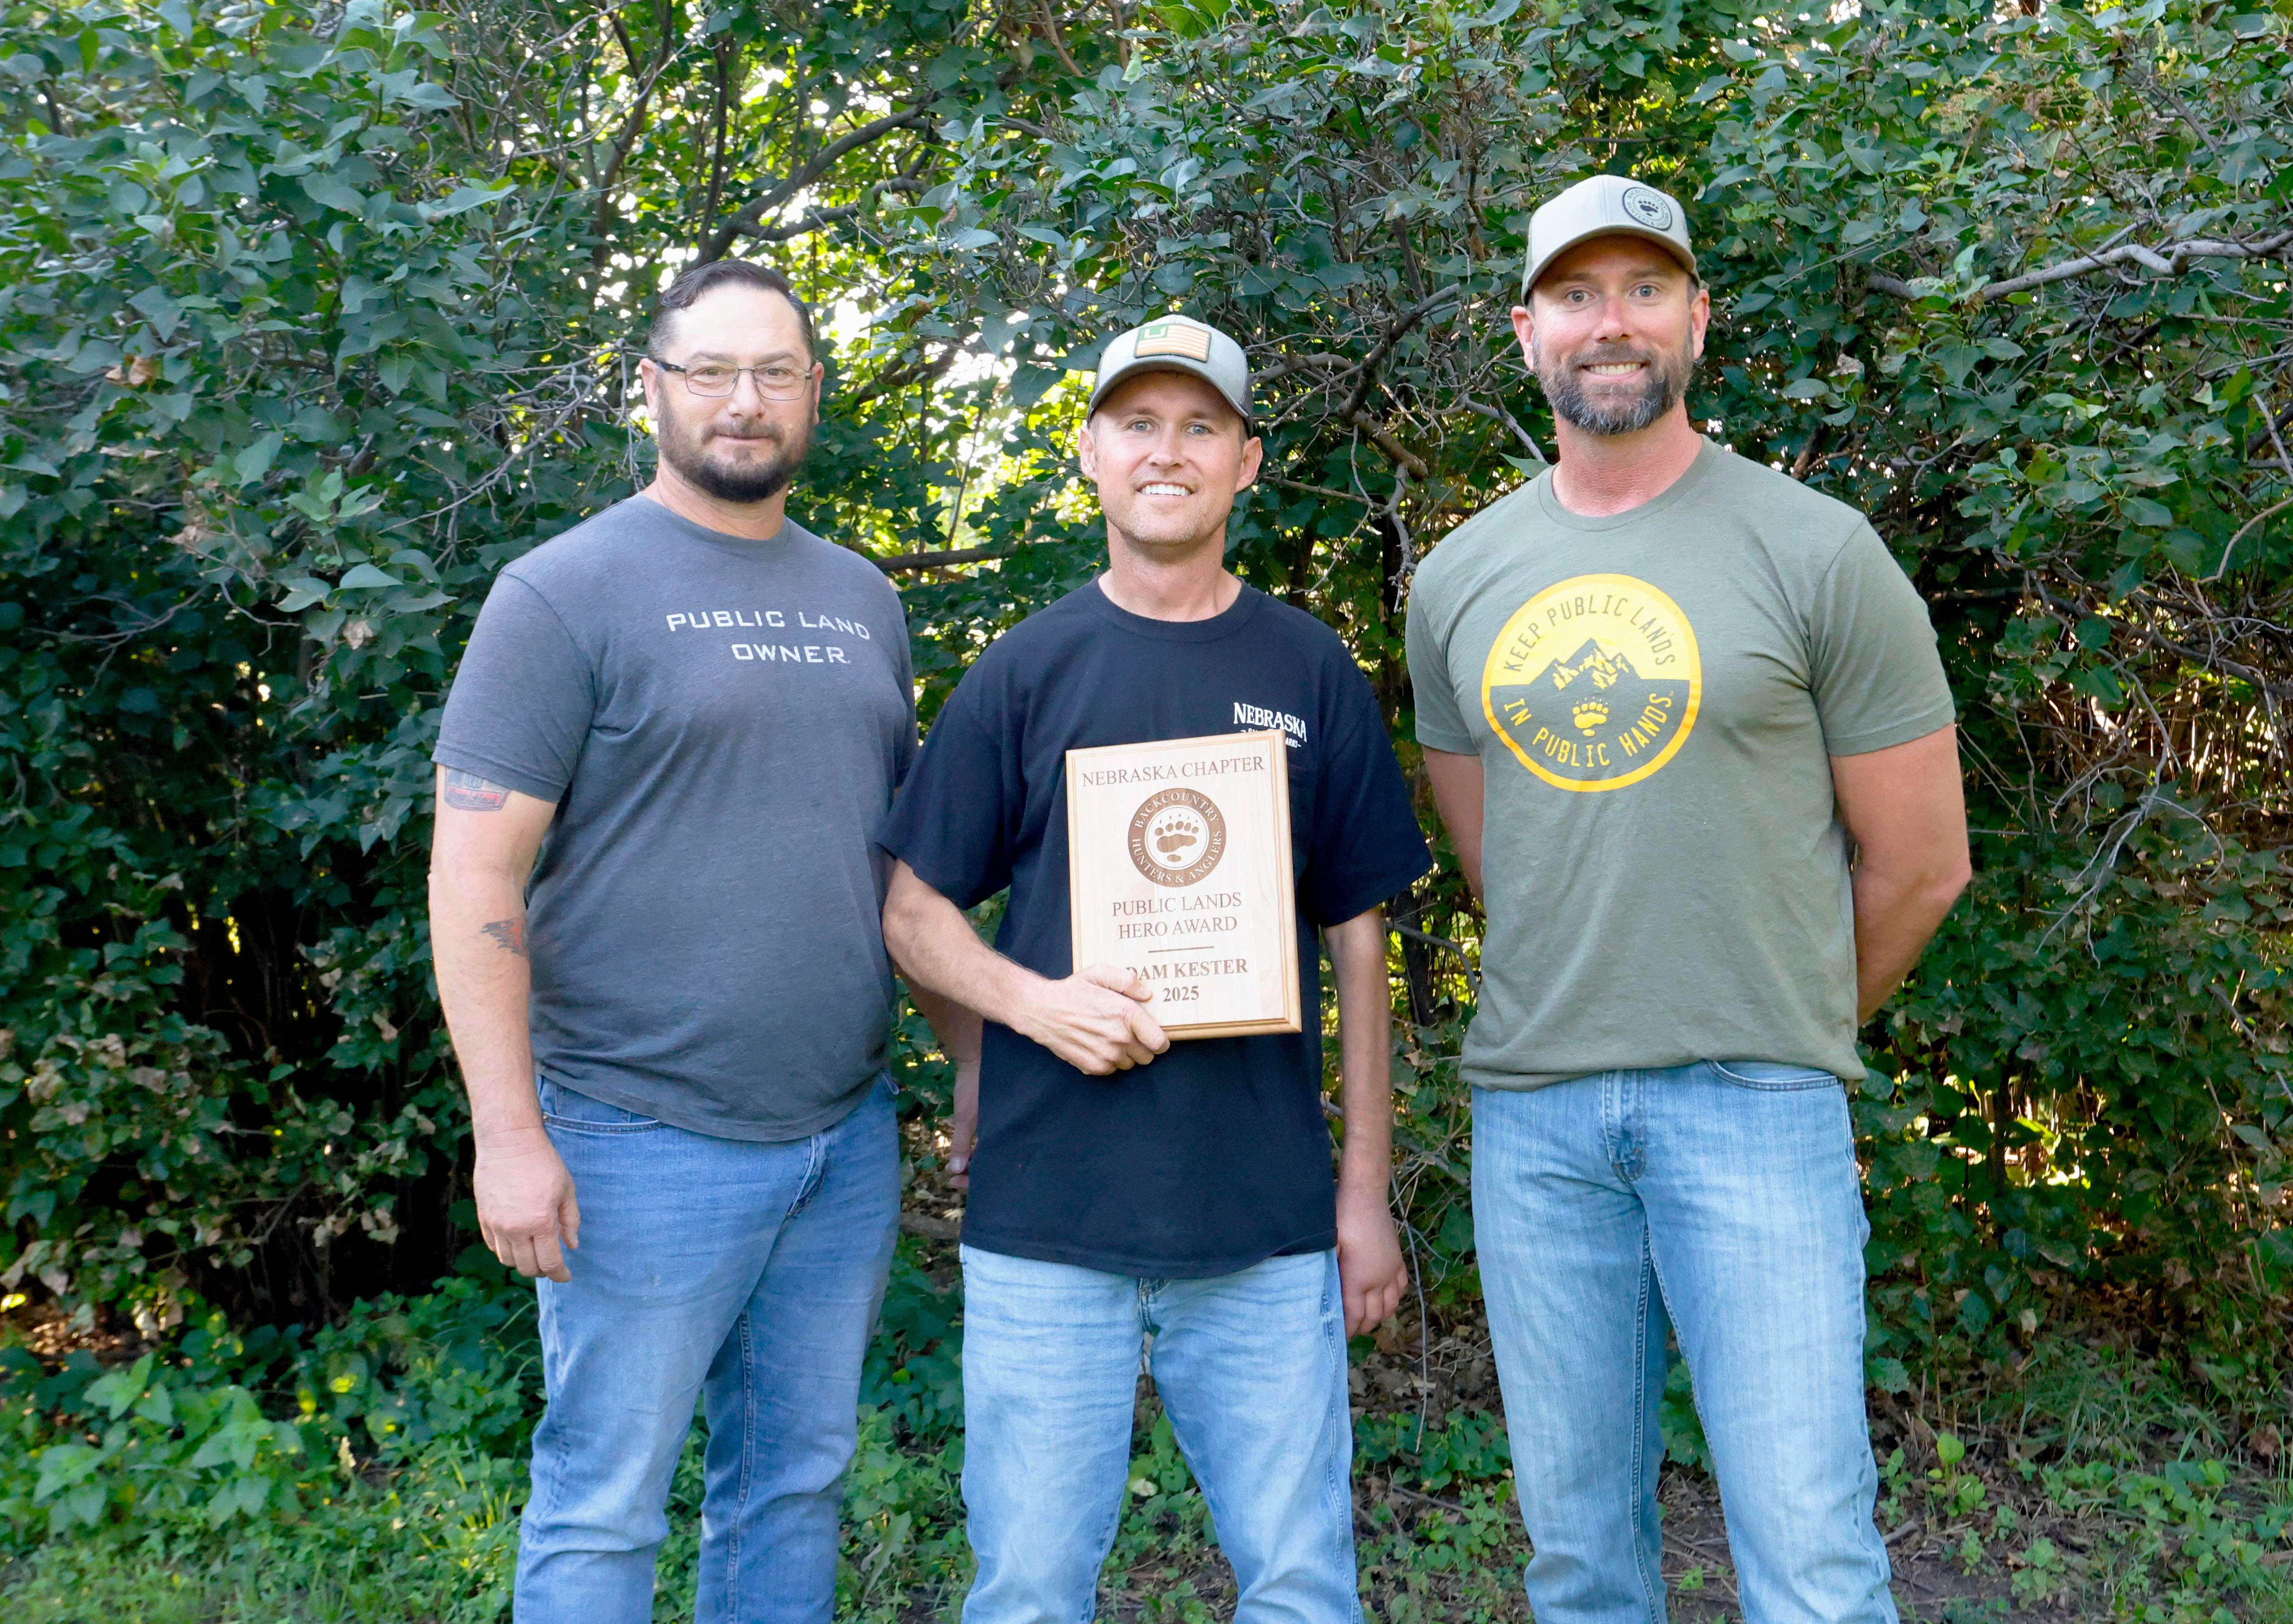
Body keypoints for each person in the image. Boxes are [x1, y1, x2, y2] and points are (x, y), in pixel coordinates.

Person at [1405, 174, 1972, 1624]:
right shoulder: (1460, 579)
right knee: (1582, 1562)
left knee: (1811, 1561)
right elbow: (1498, 853)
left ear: (1698, 320)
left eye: (1646, 290)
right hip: (1536, 1118)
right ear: (1525, 332)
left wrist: (1783, 1023)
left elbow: (1920, 864)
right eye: (1579, 296)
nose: (1615, 324)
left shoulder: (1818, 550)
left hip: (1756, 1109)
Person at [427, 257, 978, 1624]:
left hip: (841, 1139)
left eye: (775, 372)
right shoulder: (563, 593)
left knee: (794, 1482)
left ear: (810, 394)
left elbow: (892, 872)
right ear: (652, 389)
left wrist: (967, 1062)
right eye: (712, 371)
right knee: (608, 1499)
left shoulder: (863, 597)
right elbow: (475, 871)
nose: (745, 401)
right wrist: (508, 1131)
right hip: (634, 1137)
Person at [877, 315, 1429, 1623]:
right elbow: (913, 911)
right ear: (1090, 454)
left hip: (1263, 1219)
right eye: (1138, 424)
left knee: (1302, 1586)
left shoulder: (1309, 670)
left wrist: (1363, 1191)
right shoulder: (1025, 670)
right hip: (1049, 1215)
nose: (1166, 453)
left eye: (1199, 428)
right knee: (1027, 1591)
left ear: (1246, 462)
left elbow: (1358, 940)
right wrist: (1027, 1010)